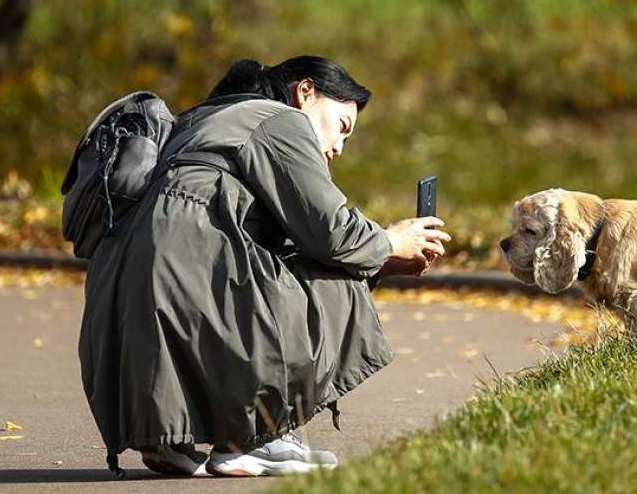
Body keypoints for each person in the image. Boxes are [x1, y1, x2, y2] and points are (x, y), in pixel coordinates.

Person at [78, 56, 450, 477]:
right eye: (342, 127)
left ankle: (167, 440)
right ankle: (258, 436)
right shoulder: (278, 120)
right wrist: (388, 241)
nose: (339, 147)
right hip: (186, 270)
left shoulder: (199, 121)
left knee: (307, 270)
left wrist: (381, 262)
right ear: (305, 92)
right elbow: (330, 232)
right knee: (338, 278)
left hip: (115, 292)